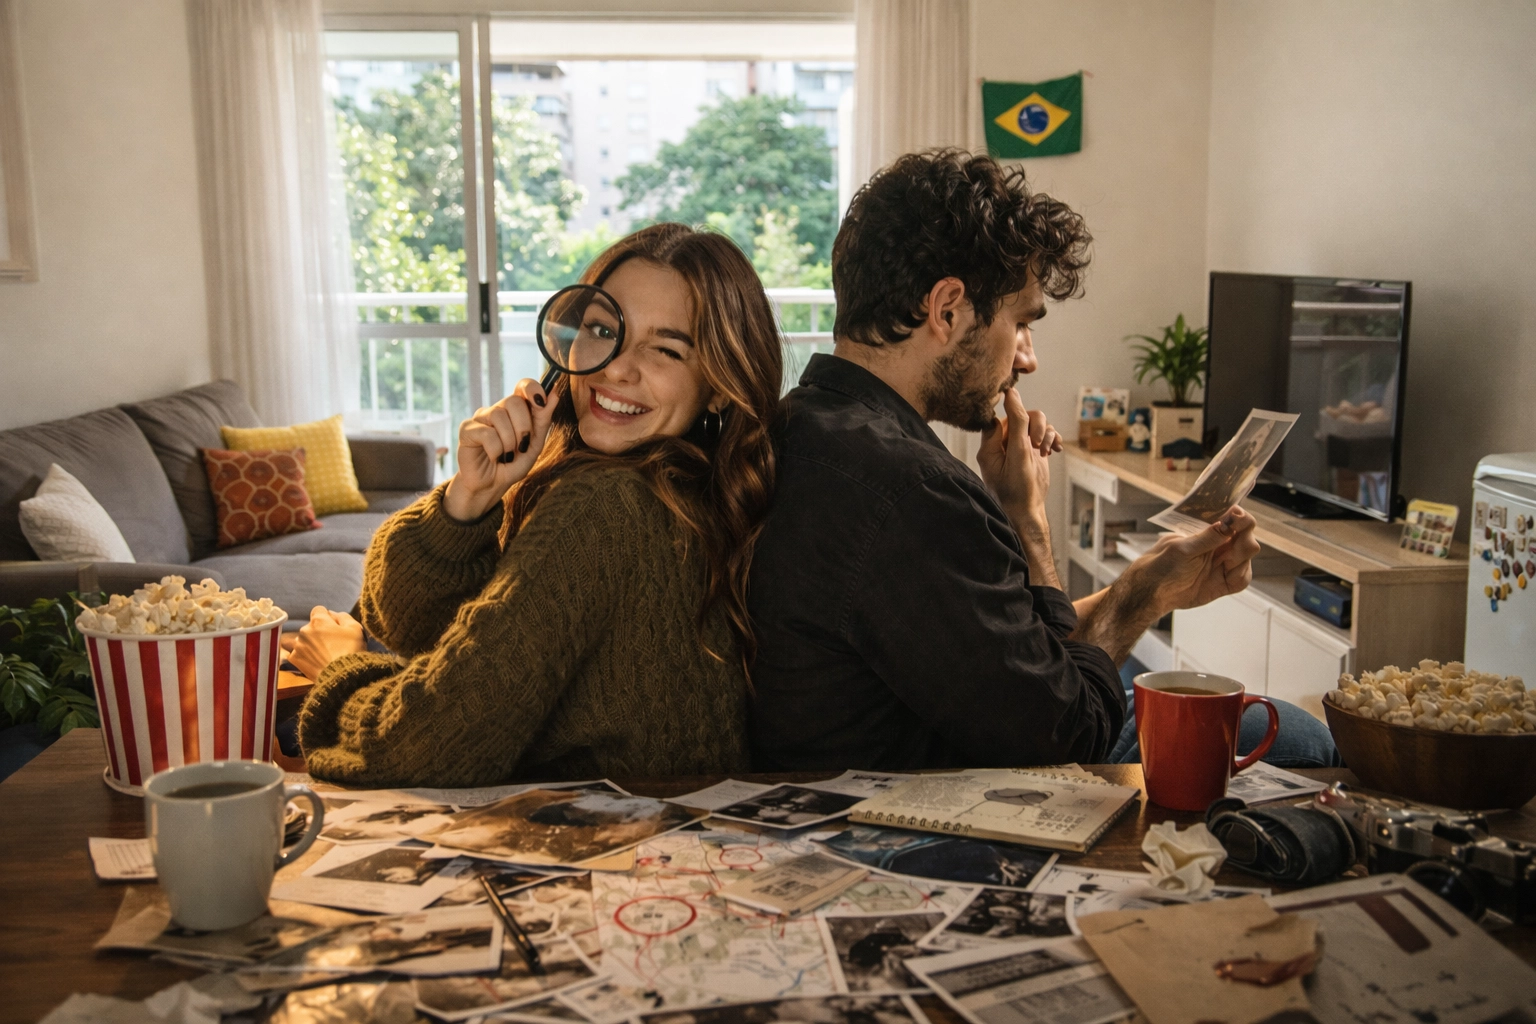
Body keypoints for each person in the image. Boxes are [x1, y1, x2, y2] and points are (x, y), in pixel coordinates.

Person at [747, 149, 1337, 771]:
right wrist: (1052, 542)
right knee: (1297, 740)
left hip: (949, 728)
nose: (1027, 360)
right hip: (944, 793)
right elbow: (1068, 731)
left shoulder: (803, 426)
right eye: (1020, 322)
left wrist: (1148, 583)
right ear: (946, 309)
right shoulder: (915, 492)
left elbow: (1006, 646)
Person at [289, 223, 783, 787]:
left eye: (666, 349)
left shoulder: (608, 506)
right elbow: (424, 627)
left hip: (610, 852)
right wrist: (468, 500)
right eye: (603, 330)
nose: (616, 367)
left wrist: (339, 671)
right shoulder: (681, 492)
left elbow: (430, 746)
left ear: (719, 384)